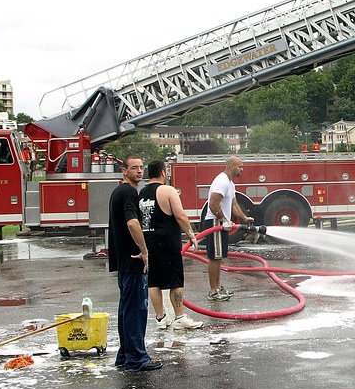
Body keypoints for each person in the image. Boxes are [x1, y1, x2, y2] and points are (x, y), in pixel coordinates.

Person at [107, 155, 160, 371]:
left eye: (141, 168)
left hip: (123, 261)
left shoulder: (118, 192)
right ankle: (137, 359)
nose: (139, 171)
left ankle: (125, 356)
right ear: (124, 171)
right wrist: (144, 250)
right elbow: (132, 222)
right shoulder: (129, 192)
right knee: (136, 310)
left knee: (126, 309)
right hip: (133, 259)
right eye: (134, 168)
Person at [138, 160, 203, 332]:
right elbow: (180, 215)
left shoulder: (142, 193)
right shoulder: (167, 190)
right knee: (175, 281)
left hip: (149, 242)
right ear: (163, 172)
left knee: (154, 282)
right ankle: (180, 316)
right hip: (167, 243)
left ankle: (161, 318)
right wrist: (192, 235)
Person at [200, 155, 254, 301]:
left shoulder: (230, 184)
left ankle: (218, 287)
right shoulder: (222, 182)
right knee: (214, 257)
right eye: (240, 166)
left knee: (219, 257)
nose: (242, 169)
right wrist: (224, 220)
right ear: (231, 167)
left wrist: (244, 218)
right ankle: (213, 291)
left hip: (222, 224)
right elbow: (213, 204)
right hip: (215, 223)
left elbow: (234, 204)